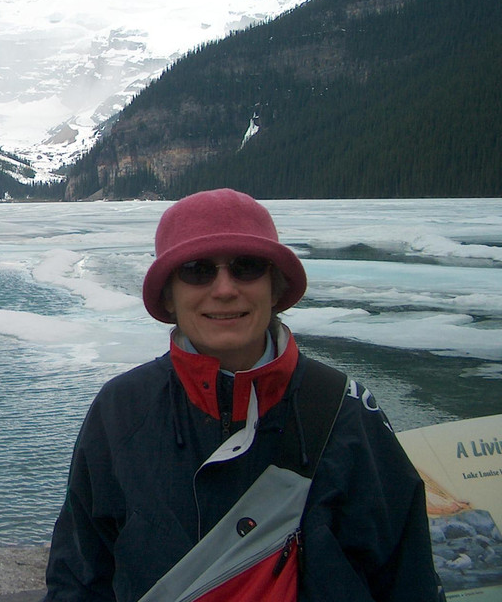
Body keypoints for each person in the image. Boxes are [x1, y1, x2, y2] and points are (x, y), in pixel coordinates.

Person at [43, 188, 442, 601]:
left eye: (247, 267)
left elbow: (406, 577)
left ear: (275, 286)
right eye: (198, 270)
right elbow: (79, 576)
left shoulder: (348, 413)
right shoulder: (121, 410)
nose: (224, 289)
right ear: (168, 295)